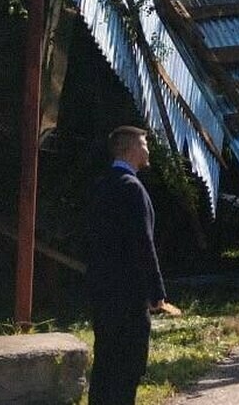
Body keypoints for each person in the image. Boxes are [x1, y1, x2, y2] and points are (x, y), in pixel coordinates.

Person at [85, 125, 171, 404]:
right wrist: (156, 291)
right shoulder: (131, 188)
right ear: (131, 149)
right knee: (128, 366)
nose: (148, 150)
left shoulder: (101, 185)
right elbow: (143, 244)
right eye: (144, 144)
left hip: (102, 291)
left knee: (105, 365)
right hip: (129, 296)